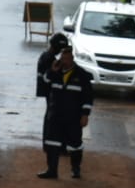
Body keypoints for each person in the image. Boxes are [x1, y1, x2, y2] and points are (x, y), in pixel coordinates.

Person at [39, 46, 94, 179]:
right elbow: (45, 82)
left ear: (72, 58)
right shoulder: (55, 72)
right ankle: (51, 170)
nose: (65, 61)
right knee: (52, 142)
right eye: (63, 58)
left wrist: (85, 114)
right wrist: (52, 70)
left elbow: (88, 96)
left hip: (73, 117)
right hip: (55, 115)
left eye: (68, 58)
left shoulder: (82, 75)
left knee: (75, 144)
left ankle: (76, 169)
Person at [36, 32, 69, 98]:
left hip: (45, 92)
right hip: (48, 92)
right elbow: (49, 77)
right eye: (61, 49)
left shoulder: (46, 56)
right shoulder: (49, 59)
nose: (61, 52)